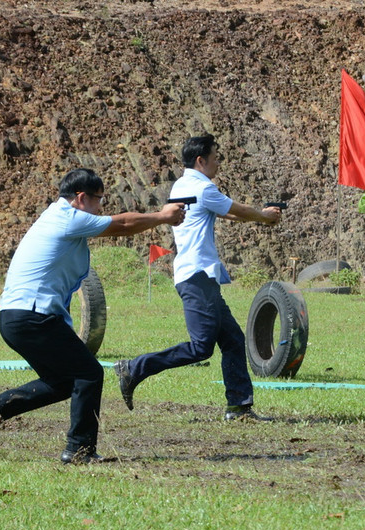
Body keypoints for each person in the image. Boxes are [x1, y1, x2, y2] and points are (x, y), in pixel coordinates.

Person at [0, 169, 185, 464]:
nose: (100, 209)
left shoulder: (57, 217)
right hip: (32, 316)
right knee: (89, 373)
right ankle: (79, 450)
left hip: (18, 317)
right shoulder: (67, 217)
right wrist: (162, 216)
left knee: (64, 381)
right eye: (99, 201)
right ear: (81, 198)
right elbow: (121, 224)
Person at [114, 134, 281, 420]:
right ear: (201, 160)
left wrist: (258, 216)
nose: (219, 162)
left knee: (232, 340)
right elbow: (236, 210)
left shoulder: (184, 185)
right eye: (215, 156)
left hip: (201, 276)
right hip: (196, 277)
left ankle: (239, 407)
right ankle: (135, 368)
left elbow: (227, 214)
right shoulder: (203, 188)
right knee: (201, 348)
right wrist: (264, 216)